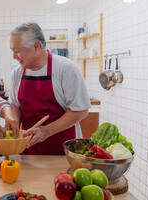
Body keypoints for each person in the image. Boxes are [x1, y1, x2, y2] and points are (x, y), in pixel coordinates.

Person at [7, 22, 91, 155]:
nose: (14, 57)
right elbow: (15, 106)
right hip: (27, 153)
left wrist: (46, 131)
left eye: (16, 51)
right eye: (12, 51)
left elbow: (81, 111)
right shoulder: (17, 73)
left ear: (36, 46)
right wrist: (15, 123)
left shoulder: (66, 69)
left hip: (62, 153)